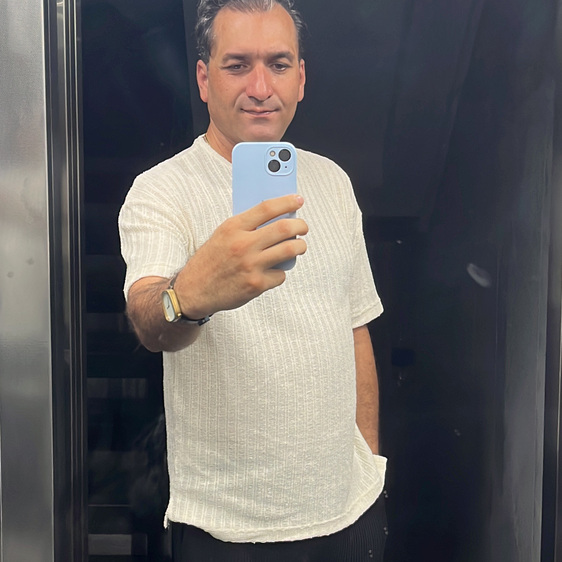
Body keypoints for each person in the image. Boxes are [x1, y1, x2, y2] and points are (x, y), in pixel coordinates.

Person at [118, 0, 388, 560]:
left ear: (301, 78)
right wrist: (188, 296)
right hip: (228, 529)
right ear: (203, 79)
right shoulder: (162, 190)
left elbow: (355, 327)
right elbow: (148, 316)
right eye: (238, 65)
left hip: (351, 510)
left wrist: (368, 459)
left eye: (278, 64)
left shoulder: (333, 183)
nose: (261, 87)